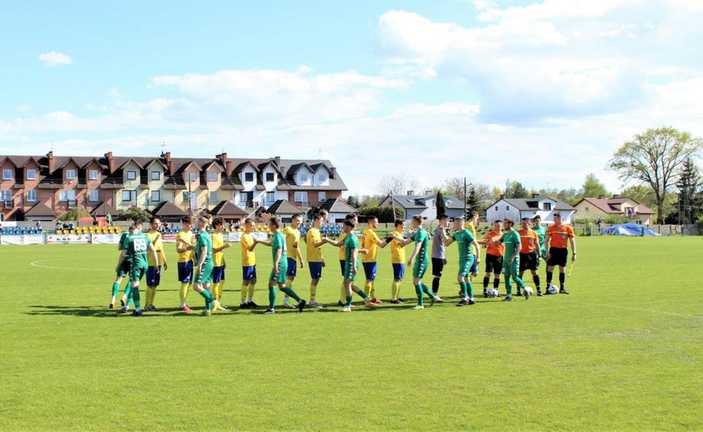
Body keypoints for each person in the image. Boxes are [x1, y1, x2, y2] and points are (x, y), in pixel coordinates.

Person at [254, 217, 306, 314]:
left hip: (280, 263)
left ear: (274, 225)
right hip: (284, 262)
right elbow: (270, 243)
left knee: (271, 284)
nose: (268, 226)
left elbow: (279, 250)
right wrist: (258, 241)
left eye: (269, 224)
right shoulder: (279, 235)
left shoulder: (278, 236)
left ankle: (271, 308)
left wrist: (276, 264)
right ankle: (300, 301)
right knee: (282, 286)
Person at [117, 220, 160, 316]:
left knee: (135, 286)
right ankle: (127, 306)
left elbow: (123, 254)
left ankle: (137, 309)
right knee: (134, 285)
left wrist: (118, 265)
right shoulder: (145, 236)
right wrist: (157, 264)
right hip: (145, 265)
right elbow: (153, 250)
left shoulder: (130, 238)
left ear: (134, 228)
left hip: (135, 265)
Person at [398, 215, 441, 309]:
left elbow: (418, 246)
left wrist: (411, 258)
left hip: (421, 260)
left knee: (416, 281)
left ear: (417, 223)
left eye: (412, 222)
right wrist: (395, 238)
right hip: (419, 260)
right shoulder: (417, 232)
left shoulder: (421, 232)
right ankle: (432, 296)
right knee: (417, 281)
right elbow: (406, 241)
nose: (411, 223)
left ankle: (420, 304)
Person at [339, 220, 377, 312]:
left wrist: (354, 266)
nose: (342, 227)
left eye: (344, 226)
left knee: (347, 284)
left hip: (351, 263)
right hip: (349, 263)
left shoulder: (352, 238)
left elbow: (354, 253)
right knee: (349, 285)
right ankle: (366, 299)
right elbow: (338, 244)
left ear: (349, 227)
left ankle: (348, 305)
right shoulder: (347, 236)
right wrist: (326, 240)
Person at [445, 216, 480, 305]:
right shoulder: (457, 234)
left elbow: (476, 245)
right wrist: (445, 233)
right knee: (466, 278)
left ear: (461, 223)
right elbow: (447, 243)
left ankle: (464, 298)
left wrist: (478, 258)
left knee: (460, 277)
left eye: (455, 223)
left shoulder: (466, 233)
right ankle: (471, 298)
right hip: (462, 259)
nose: (454, 225)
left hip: (468, 258)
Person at [192, 216, 222, 316]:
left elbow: (204, 250)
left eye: (197, 220)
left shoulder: (202, 235)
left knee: (196, 286)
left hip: (205, 263)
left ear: (201, 223)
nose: (195, 222)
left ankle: (213, 301)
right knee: (206, 286)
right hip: (210, 263)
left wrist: (200, 264)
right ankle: (208, 310)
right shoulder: (206, 234)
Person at [495, 218, 528, 302]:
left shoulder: (515, 234)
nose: (504, 225)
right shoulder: (505, 234)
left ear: (510, 224)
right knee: (506, 277)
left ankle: (525, 289)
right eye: (504, 223)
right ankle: (508, 295)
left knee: (514, 277)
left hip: (513, 260)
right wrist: (492, 241)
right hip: (505, 259)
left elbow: (519, 247)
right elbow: (498, 242)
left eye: (505, 224)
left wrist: (512, 257)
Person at [545, 213, 576, 294]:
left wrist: (574, 253)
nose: (554, 220)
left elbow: (572, 241)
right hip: (553, 250)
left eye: (555, 218)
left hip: (563, 250)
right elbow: (546, 240)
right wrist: (547, 251)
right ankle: (548, 288)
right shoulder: (551, 227)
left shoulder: (568, 228)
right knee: (550, 268)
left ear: (560, 218)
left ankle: (562, 288)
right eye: (553, 218)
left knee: (562, 269)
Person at [305, 212, 331, 308]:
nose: (322, 222)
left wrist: (322, 258)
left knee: (316, 279)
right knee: (315, 279)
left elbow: (318, 247)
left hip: (317, 259)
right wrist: (325, 241)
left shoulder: (317, 231)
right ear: (316, 220)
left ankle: (312, 300)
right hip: (313, 259)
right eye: (321, 220)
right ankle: (312, 301)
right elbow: (315, 244)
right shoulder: (312, 231)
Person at [361, 216, 388, 304]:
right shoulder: (371, 233)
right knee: (369, 279)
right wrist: (391, 238)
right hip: (370, 259)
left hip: (366, 259)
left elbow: (377, 242)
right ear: (371, 222)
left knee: (371, 279)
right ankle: (367, 299)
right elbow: (381, 245)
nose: (377, 224)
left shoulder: (366, 231)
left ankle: (372, 297)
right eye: (376, 222)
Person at [282, 214, 306, 308]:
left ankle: (286, 300)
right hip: (287, 257)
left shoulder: (298, 232)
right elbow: (282, 240)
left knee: (290, 279)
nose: (299, 222)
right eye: (297, 220)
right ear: (292, 220)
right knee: (287, 279)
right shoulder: (287, 229)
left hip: (293, 258)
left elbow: (297, 247)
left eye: (300, 221)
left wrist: (301, 259)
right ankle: (285, 300)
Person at [144, 217, 167, 311]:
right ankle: (146, 305)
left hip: (159, 262)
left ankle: (151, 304)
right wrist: (155, 239)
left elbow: (161, 249)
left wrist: (165, 261)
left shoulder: (159, 234)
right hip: (150, 263)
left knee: (155, 285)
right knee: (150, 284)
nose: (157, 225)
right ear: (151, 224)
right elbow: (148, 248)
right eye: (155, 223)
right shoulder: (147, 235)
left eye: (159, 223)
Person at [109, 224, 133, 309]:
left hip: (123, 260)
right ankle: (125, 296)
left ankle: (113, 299)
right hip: (133, 261)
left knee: (118, 280)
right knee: (132, 281)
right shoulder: (137, 237)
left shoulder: (124, 235)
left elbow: (119, 248)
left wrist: (118, 265)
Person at [176, 216, 195, 314]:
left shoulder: (191, 234)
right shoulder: (180, 235)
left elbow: (193, 247)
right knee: (185, 283)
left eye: (191, 224)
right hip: (183, 261)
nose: (190, 225)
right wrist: (187, 248)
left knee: (189, 284)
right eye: (188, 224)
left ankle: (184, 302)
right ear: (183, 224)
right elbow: (178, 250)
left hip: (190, 261)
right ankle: (182, 304)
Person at [211, 217, 231, 310]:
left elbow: (221, 250)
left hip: (221, 262)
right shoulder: (214, 235)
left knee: (222, 281)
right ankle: (215, 303)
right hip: (216, 263)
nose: (223, 226)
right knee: (216, 283)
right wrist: (225, 245)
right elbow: (214, 249)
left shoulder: (220, 235)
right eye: (222, 224)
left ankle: (218, 302)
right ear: (217, 225)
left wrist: (224, 261)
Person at [518, 217, 542, 296]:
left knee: (534, 272)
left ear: (529, 224)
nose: (524, 225)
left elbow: (537, 244)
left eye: (526, 223)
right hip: (521, 255)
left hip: (532, 255)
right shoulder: (518, 233)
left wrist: (540, 255)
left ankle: (539, 290)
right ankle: (518, 291)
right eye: (523, 223)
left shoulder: (533, 233)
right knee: (520, 273)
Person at [480, 221, 504, 297]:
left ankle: (495, 290)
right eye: (496, 225)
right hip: (490, 255)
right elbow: (483, 242)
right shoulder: (489, 234)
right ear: (494, 226)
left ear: (502, 226)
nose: (498, 227)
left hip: (499, 256)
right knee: (488, 273)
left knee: (497, 275)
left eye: (499, 226)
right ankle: (485, 290)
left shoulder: (504, 235)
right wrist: (485, 244)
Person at [239, 218, 259, 309]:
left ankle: (250, 300)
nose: (253, 227)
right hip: (247, 262)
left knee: (253, 280)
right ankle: (242, 302)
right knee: (246, 281)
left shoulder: (251, 235)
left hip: (252, 261)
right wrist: (256, 242)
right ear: (246, 225)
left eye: (253, 225)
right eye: (252, 225)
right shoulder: (244, 236)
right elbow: (250, 248)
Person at [387, 219, 407, 304]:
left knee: (400, 279)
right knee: (397, 278)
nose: (404, 227)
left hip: (401, 259)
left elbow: (402, 244)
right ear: (397, 226)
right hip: (397, 259)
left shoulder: (399, 234)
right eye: (402, 225)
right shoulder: (394, 234)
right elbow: (402, 242)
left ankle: (397, 296)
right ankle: (393, 298)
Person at [431, 214, 450, 296]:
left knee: (437, 275)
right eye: (446, 220)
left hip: (438, 256)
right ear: (441, 221)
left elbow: (441, 245)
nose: (448, 222)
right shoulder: (440, 230)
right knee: (437, 276)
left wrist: (444, 256)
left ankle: (434, 294)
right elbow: (446, 241)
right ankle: (434, 294)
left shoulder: (438, 229)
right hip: (437, 257)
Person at [465, 210, 481, 280]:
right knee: (473, 272)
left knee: (473, 272)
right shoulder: (469, 225)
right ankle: (466, 287)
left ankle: (467, 286)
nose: (477, 219)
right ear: (474, 216)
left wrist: (482, 241)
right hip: (471, 251)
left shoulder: (470, 225)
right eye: (477, 218)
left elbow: (473, 239)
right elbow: (469, 239)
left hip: (473, 250)